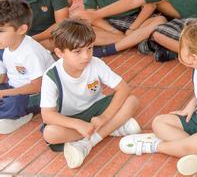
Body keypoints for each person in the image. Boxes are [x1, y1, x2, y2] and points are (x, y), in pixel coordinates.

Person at [118, 21, 197, 176]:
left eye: (181, 46)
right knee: (159, 122)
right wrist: (191, 105)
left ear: (193, 57)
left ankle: (156, 146)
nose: (178, 49)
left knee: (195, 142)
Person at [40, 19, 141, 169]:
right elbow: (47, 115)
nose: (86, 56)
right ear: (60, 53)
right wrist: (77, 124)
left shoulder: (96, 63)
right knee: (50, 133)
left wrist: (104, 117)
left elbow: (123, 88)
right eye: (77, 52)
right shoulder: (51, 76)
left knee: (132, 100)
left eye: (90, 48)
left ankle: (89, 142)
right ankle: (114, 128)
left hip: (97, 109)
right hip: (71, 118)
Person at [0, 0, 53, 134]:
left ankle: (20, 116)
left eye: (1, 31)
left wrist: (4, 93)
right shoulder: (7, 45)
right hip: (15, 87)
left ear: (21, 29)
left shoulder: (30, 52)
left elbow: (37, 86)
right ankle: (8, 114)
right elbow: (3, 73)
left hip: (37, 93)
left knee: (15, 102)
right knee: (10, 99)